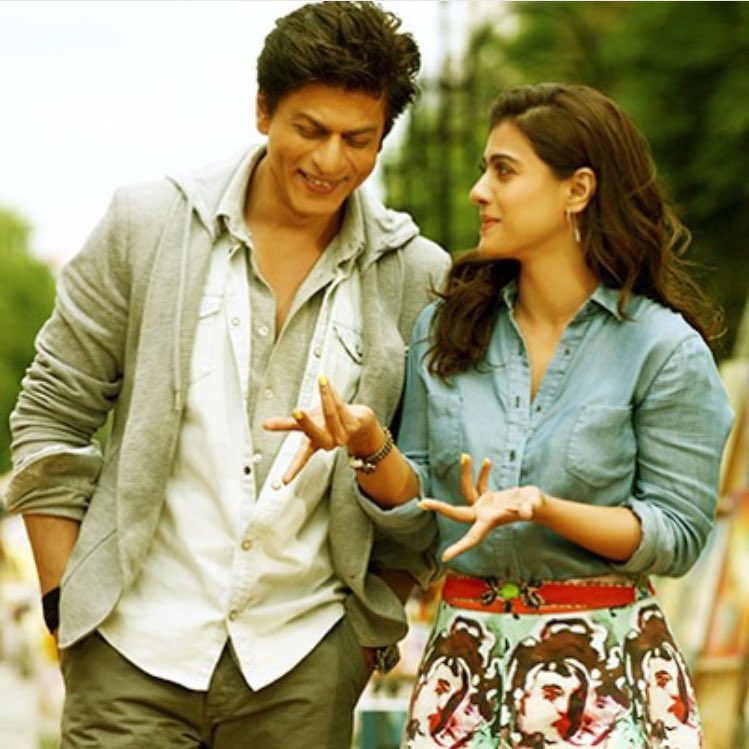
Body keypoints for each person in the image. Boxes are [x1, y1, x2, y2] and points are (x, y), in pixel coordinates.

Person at [3, 2, 450, 747]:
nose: (330, 161)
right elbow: (51, 414)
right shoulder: (148, 226)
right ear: (263, 109)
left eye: (357, 139)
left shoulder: (414, 274)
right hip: (130, 651)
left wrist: (366, 639)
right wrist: (64, 605)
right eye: (310, 129)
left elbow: (425, 479)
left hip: (304, 663)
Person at [264, 82, 734, 747]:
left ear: (577, 190)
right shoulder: (445, 330)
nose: (478, 191)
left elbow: (677, 533)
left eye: (504, 171)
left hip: (604, 679)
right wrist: (370, 446)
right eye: (485, 169)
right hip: (464, 673)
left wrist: (541, 507)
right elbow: (424, 517)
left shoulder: (662, 349)